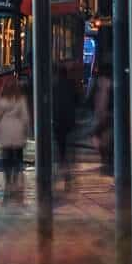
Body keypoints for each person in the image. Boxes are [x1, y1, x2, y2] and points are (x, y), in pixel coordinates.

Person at [0, 77, 31, 196]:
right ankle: (15, 180)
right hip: (18, 129)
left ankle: (8, 182)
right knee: (18, 157)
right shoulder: (20, 99)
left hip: (5, 130)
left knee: (6, 158)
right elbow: (25, 116)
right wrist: (27, 129)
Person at [52, 60, 79, 189]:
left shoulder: (53, 86)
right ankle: (67, 173)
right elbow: (79, 100)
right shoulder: (71, 84)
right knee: (69, 149)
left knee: (61, 149)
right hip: (70, 121)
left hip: (58, 122)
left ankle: (63, 171)